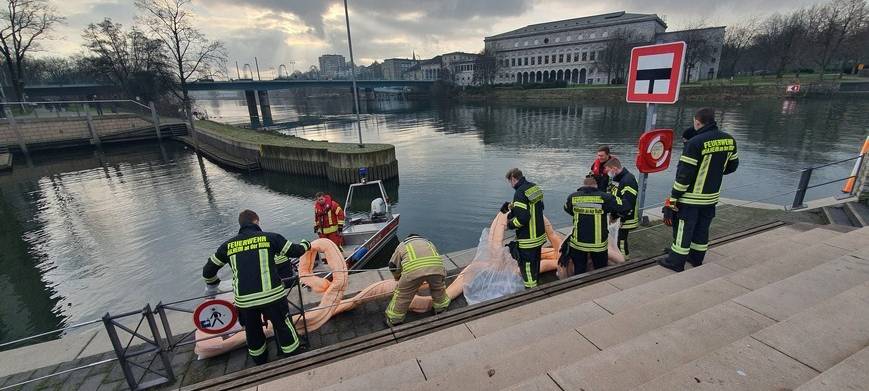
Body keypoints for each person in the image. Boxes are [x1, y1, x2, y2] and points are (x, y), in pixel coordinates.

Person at [202, 209, 311, 365]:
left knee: (252, 331)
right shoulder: (271, 238)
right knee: (282, 324)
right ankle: (292, 354)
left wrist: (213, 285)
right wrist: (306, 244)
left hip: (244, 301)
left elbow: (208, 271)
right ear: (256, 221)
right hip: (272, 296)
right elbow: (296, 251)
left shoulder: (228, 246)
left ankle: (260, 359)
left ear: (241, 224)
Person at [659, 108, 739, 272]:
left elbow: (684, 175)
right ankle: (696, 258)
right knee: (702, 228)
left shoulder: (694, 143)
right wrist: (713, 172)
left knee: (683, 228)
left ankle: (676, 261)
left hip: (690, 197)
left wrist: (673, 197)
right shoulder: (729, 140)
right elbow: (732, 166)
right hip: (711, 197)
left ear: (697, 121)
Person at [563, 176, 625, 275]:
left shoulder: (572, 197)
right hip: (598, 244)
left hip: (579, 243)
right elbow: (622, 206)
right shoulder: (606, 197)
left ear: (583, 185)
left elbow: (567, 209)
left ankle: (579, 286)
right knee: (600, 270)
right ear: (596, 186)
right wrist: (614, 215)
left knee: (579, 269)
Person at [384, 234, 450, 326]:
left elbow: (393, 266)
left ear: (408, 238)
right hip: (437, 268)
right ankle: (441, 309)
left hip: (413, 271)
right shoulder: (429, 243)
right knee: (438, 288)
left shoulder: (402, 245)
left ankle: (394, 319)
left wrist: (397, 277)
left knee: (403, 295)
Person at [501, 168, 546, 288]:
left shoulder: (519, 193)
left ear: (513, 179)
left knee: (526, 266)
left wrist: (509, 225)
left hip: (528, 238)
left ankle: (531, 290)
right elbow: (537, 207)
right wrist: (513, 207)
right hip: (539, 234)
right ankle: (535, 282)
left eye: (510, 182)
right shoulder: (534, 187)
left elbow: (523, 219)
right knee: (535, 262)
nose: (510, 185)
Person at [603, 157, 639, 259]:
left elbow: (629, 203)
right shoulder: (617, 178)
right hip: (617, 216)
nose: (608, 173)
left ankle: (624, 260)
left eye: (609, 170)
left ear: (614, 168)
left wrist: (621, 217)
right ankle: (619, 258)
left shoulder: (628, 180)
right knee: (616, 240)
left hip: (625, 217)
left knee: (621, 240)